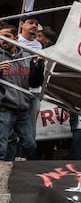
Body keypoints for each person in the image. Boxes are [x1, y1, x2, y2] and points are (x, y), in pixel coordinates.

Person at [0, 22, 44, 161]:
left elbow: (34, 82)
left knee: (30, 145)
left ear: (16, 38)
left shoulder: (26, 56)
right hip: (4, 108)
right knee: (1, 148)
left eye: (7, 36)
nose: (3, 41)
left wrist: (38, 67)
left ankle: (17, 169)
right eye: (0, 37)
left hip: (22, 109)